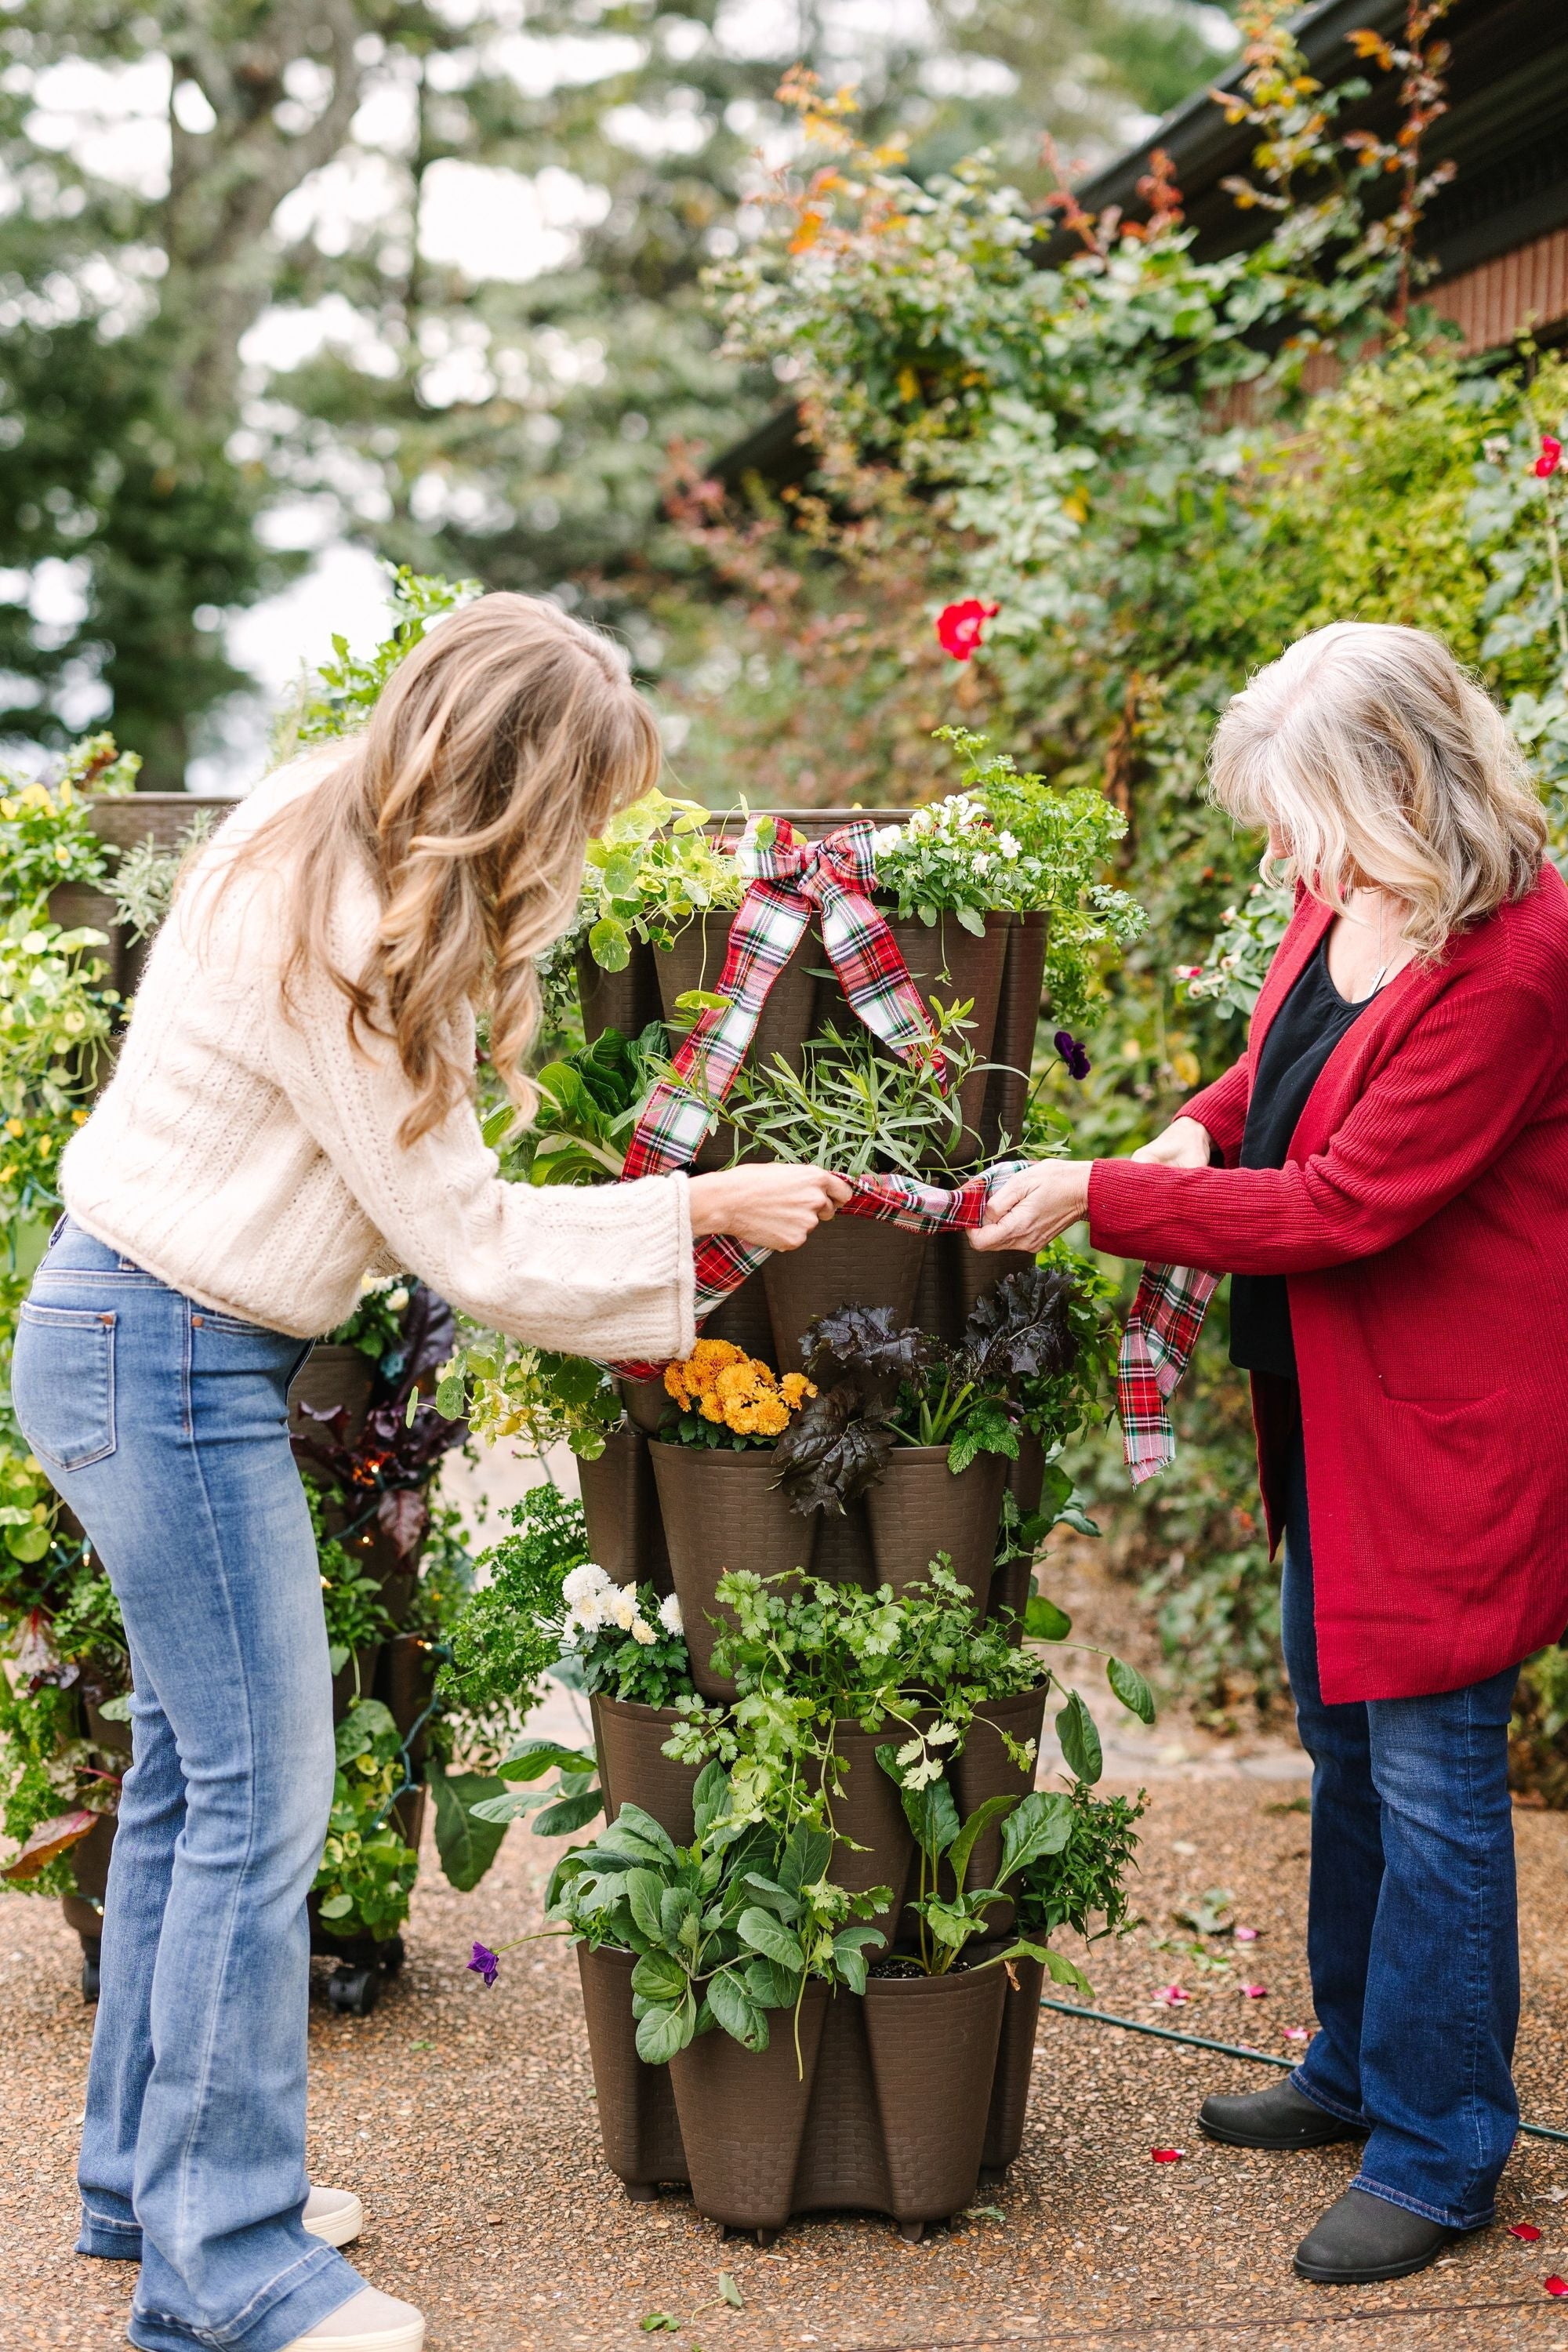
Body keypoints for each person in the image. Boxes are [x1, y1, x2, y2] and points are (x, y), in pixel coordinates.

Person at [11, 593, 849, 2352]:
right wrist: (698, 1209)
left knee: (190, 1783)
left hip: (131, 1335)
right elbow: (461, 1240)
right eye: (584, 806)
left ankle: (144, 2184)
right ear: (515, 783)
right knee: (258, 1804)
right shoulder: (352, 931)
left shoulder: (322, 812)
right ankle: (226, 2269)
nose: (588, 844)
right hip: (161, 1357)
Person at [972, 622, 1568, 2285]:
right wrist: (1188, 1123)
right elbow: (1278, 1073)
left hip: (1448, 1431)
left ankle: (1446, 2145)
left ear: (1402, 782)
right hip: (1331, 1400)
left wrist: (1104, 1190)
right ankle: (1353, 2068)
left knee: (1437, 1780)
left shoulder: (1514, 958)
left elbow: (1347, 1202)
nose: (1283, 854)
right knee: (1344, 1741)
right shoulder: (1353, 892)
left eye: (1304, 813)